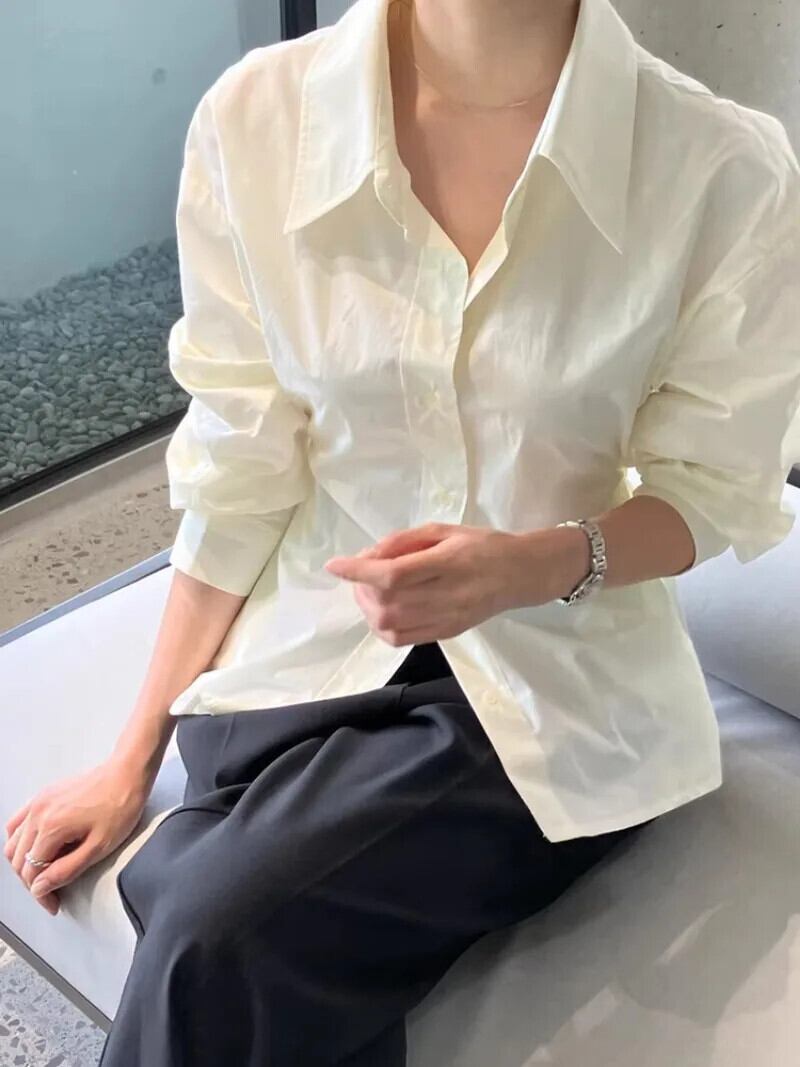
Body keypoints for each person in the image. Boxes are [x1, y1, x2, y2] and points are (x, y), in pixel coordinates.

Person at [5, 0, 800, 1063]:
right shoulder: (258, 120)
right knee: (230, 913)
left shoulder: (720, 170)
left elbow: (706, 488)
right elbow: (241, 469)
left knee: (213, 930)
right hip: (303, 649)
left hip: (546, 694)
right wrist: (131, 753)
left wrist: (529, 564)